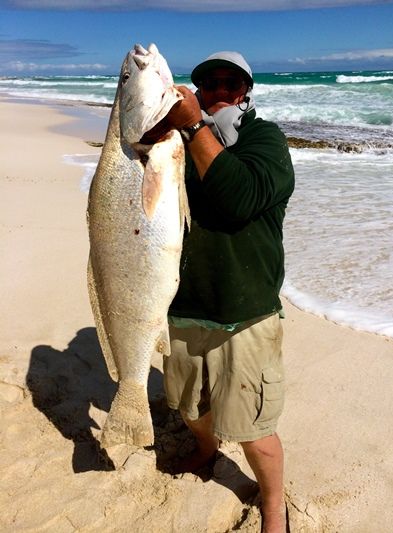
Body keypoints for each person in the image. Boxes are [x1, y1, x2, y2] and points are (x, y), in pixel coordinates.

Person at [154, 51, 294, 533]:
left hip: (246, 311)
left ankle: (274, 505)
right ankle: (206, 448)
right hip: (184, 306)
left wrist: (196, 128)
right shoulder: (173, 145)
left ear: (244, 92)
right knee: (193, 408)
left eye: (228, 83)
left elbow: (239, 199)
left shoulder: (265, 139)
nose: (217, 90)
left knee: (255, 431)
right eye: (207, 83)